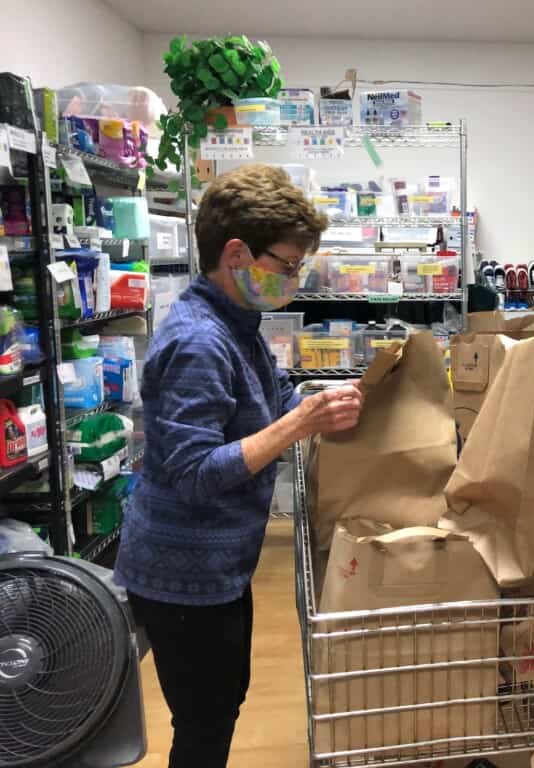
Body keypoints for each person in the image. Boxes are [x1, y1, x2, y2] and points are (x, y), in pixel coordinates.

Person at [114, 164, 364, 768]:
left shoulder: (237, 324)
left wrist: (333, 400)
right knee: (204, 723)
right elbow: (196, 472)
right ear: (235, 254)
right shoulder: (199, 342)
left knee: (222, 701)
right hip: (183, 578)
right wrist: (299, 425)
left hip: (218, 567)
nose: (293, 279)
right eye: (285, 265)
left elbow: (273, 395)